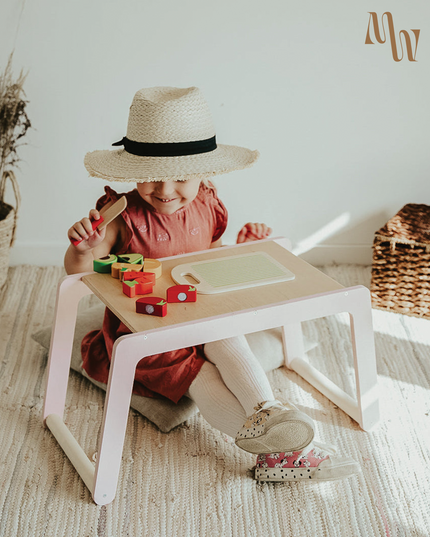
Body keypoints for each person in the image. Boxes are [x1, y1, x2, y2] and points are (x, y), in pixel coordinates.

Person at [65, 86, 360, 482]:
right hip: (154, 334)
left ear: (206, 172)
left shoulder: (207, 203)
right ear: (134, 172)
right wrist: (83, 248)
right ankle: (289, 455)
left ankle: (266, 408)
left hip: (204, 313)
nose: (164, 191)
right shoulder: (121, 215)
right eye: (151, 177)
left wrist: (243, 249)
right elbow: (77, 271)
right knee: (202, 379)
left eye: (181, 178)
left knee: (228, 336)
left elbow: (211, 255)